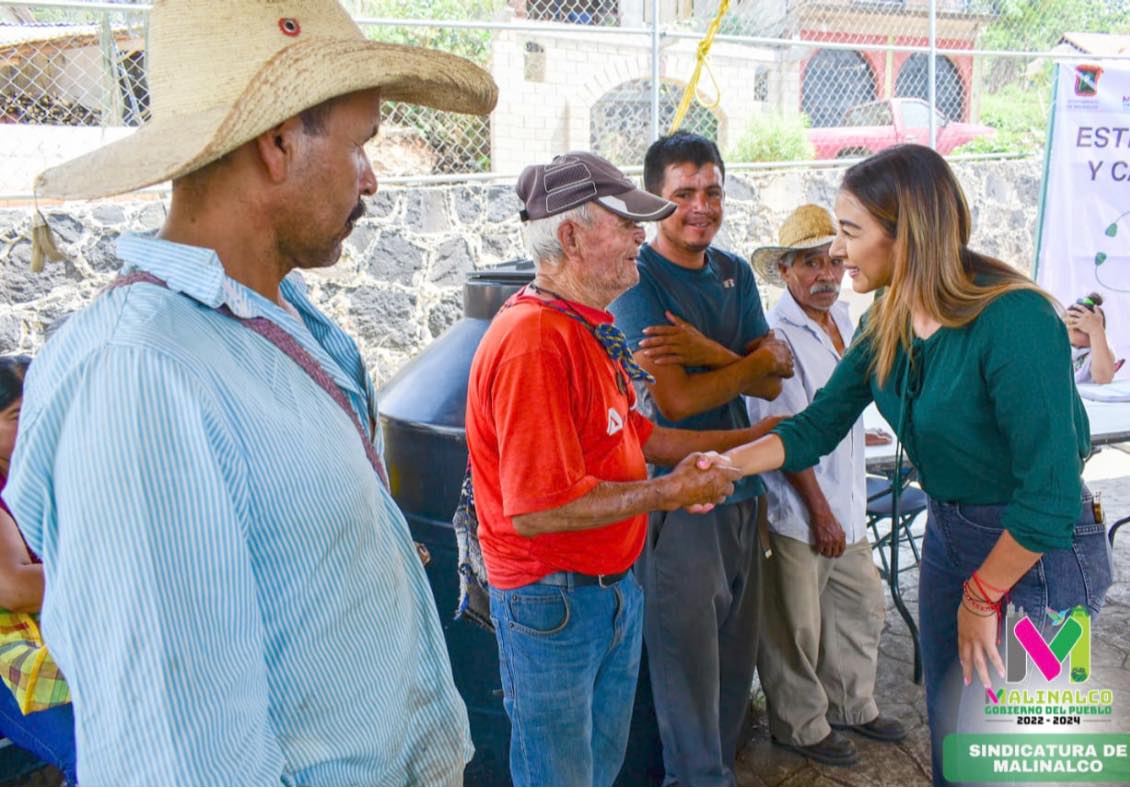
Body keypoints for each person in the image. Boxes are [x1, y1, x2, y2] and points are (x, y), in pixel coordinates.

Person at [2, 2, 497, 784]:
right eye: (359, 145)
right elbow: (175, 747)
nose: (370, 178)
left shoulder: (276, 322)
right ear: (276, 143)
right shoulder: (143, 373)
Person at [710, 145, 1112, 785]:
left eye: (850, 232)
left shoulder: (1015, 319)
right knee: (954, 728)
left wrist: (982, 598)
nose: (837, 254)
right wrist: (724, 465)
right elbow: (815, 427)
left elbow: (1051, 498)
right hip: (953, 536)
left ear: (909, 234)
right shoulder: (886, 319)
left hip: (1036, 552)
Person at [467, 151, 778, 787]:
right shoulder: (535, 341)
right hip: (552, 601)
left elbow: (639, 434)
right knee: (561, 776)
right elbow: (537, 508)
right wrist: (667, 493)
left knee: (598, 769)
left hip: (607, 590)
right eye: (627, 224)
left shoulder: (584, 324)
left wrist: (717, 453)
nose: (643, 235)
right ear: (572, 237)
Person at [610, 131, 795, 785]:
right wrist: (749, 362)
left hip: (744, 489)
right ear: (655, 202)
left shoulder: (733, 271)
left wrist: (710, 351)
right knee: (685, 667)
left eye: (711, 191)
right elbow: (679, 403)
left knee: (731, 663)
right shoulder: (638, 280)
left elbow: (774, 381)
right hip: (680, 496)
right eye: (682, 193)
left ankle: (711, 775)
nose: (700, 207)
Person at [745, 206, 904, 764]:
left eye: (834, 262)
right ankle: (801, 725)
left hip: (848, 503)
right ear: (786, 269)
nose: (827, 275)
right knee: (797, 630)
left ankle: (852, 706)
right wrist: (820, 512)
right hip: (803, 510)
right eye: (811, 263)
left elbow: (840, 410)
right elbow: (792, 431)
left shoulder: (848, 322)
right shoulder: (775, 337)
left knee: (859, 612)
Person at [0, 356, 75, 785]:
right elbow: (14, 588)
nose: (32, 424)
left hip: (57, 640)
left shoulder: (50, 474)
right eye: (16, 416)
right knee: (94, 750)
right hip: (14, 664)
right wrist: (106, 573)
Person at [1066, 292, 1118, 384]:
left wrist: (1096, 331)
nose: (1077, 350)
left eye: (1083, 348)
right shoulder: (1059, 346)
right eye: (1073, 345)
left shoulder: (1102, 351)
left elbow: (1103, 378)